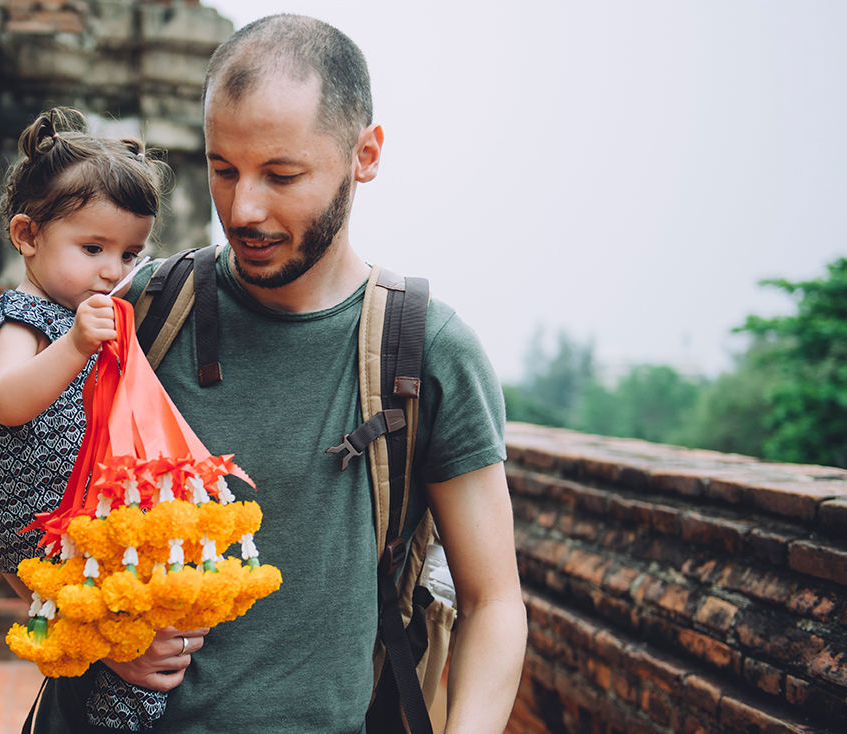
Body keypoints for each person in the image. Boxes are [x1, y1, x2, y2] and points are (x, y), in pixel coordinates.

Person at [33, 14, 527, 734]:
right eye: (222, 170)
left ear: (365, 154)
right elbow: (18, 500)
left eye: (281, 174)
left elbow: (492, 602)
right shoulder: (143, 310)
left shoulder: (424, 352)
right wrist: (98, 632)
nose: (243, 209)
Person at [0, 107, 202, 732]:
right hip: (24, 511)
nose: (113, 270)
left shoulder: (93, 317)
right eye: (93, 247)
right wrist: (74, 346)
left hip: (64, 512)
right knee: (110, 645)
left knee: (115, 661)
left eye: (129, 253)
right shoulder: (22, 313)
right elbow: (7, 399)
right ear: (27, 236)